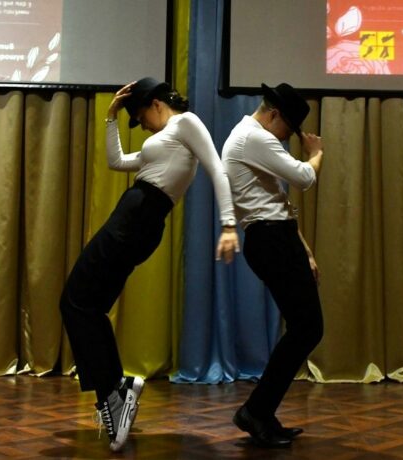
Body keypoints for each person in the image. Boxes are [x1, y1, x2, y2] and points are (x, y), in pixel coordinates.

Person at [59, 77, 239, 452]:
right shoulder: (164, 142)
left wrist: (228, 224)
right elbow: (116, 161)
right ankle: (115, 393)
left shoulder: (185, 123)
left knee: (75, 299)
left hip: (139, 215)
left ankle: (115, 393)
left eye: (140, 117)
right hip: (139, 216)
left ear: (156, 104)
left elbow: (217, 167)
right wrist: (110, 118)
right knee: (89, 305)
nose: (142, 126)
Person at [222, 83, 324, 448]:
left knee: (304, 327)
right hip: (271, 239)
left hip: (275, 237)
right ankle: (256, 410)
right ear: (274, 114)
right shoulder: (254, 137)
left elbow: (276, 201)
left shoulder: (248, 136)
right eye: (289, 130)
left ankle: (261, 411)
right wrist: (316, 153)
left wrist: (305, 250)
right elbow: (304, 178)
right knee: (307, 328)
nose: (287, 138)